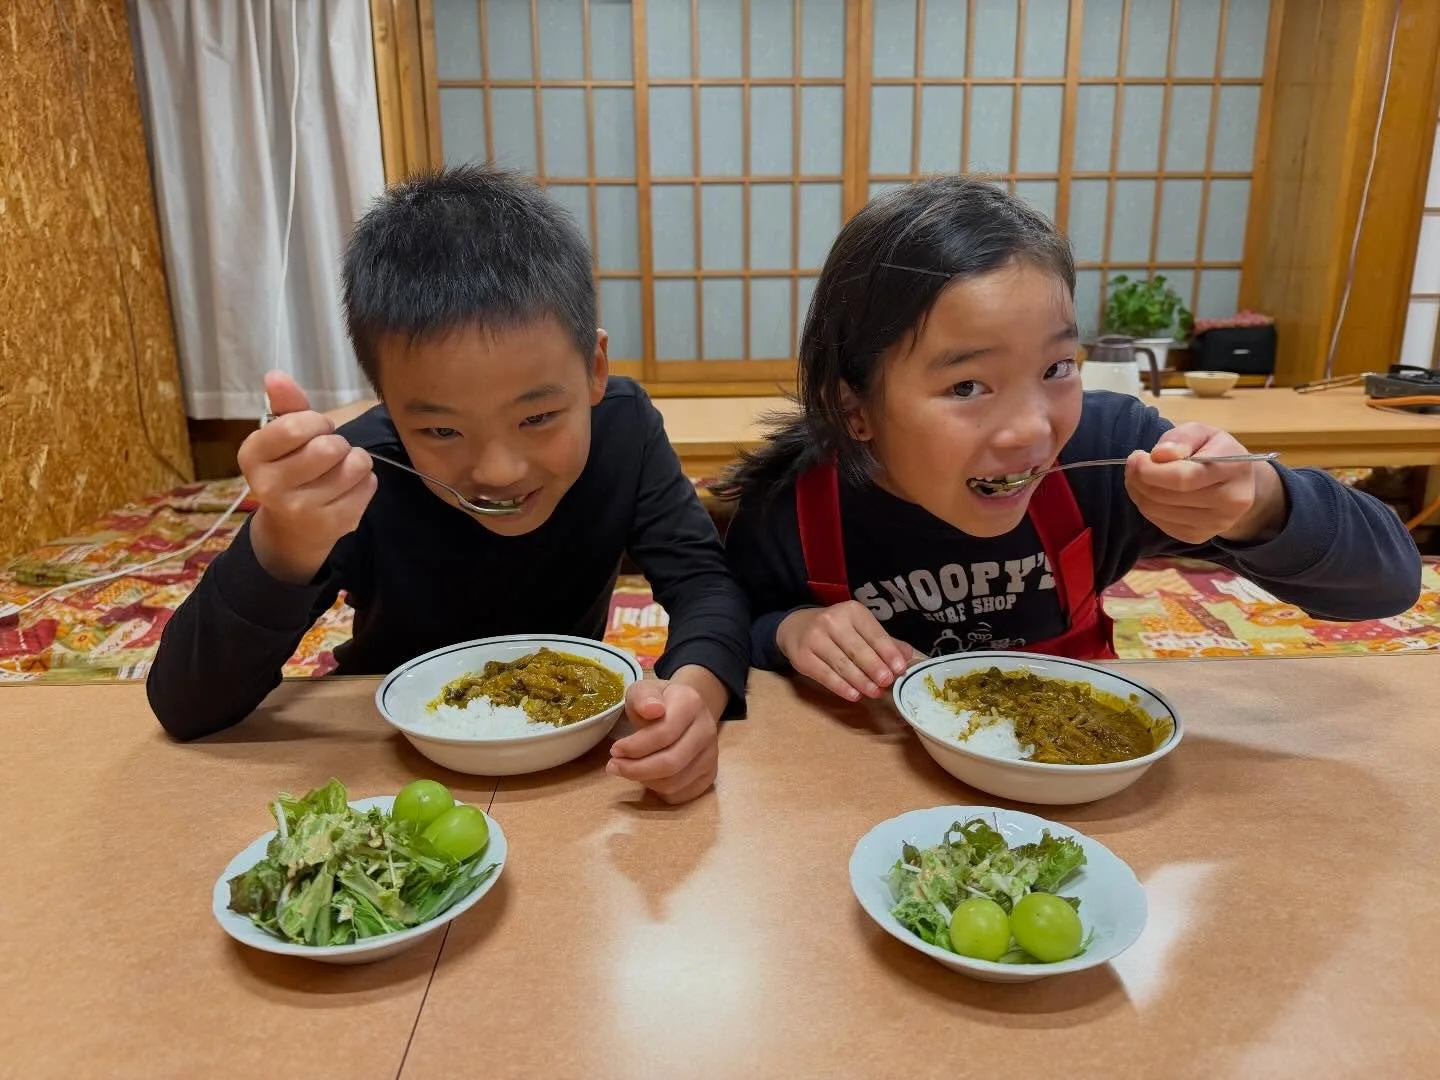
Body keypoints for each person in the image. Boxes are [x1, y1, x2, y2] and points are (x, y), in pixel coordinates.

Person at [148, 164, 749, 805]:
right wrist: (284, 540)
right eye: (440, 432)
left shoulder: (624, 428)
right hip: (388, 769)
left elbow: (704, 583)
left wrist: (694, 695)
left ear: (595, 370)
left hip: (576, 758)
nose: (499, 471)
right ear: (386, 404)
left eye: (538, 417)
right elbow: (187, 706)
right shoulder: (360, 472)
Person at [718, 175, 1422, 703]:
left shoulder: (1107, 458)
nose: (1032, 428)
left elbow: (1387, 586)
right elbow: (719, 639)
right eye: (968, 387)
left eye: (1057, 368)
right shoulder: (793, 508)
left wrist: (1262, 504)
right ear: (856, 408)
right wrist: (789, 629)